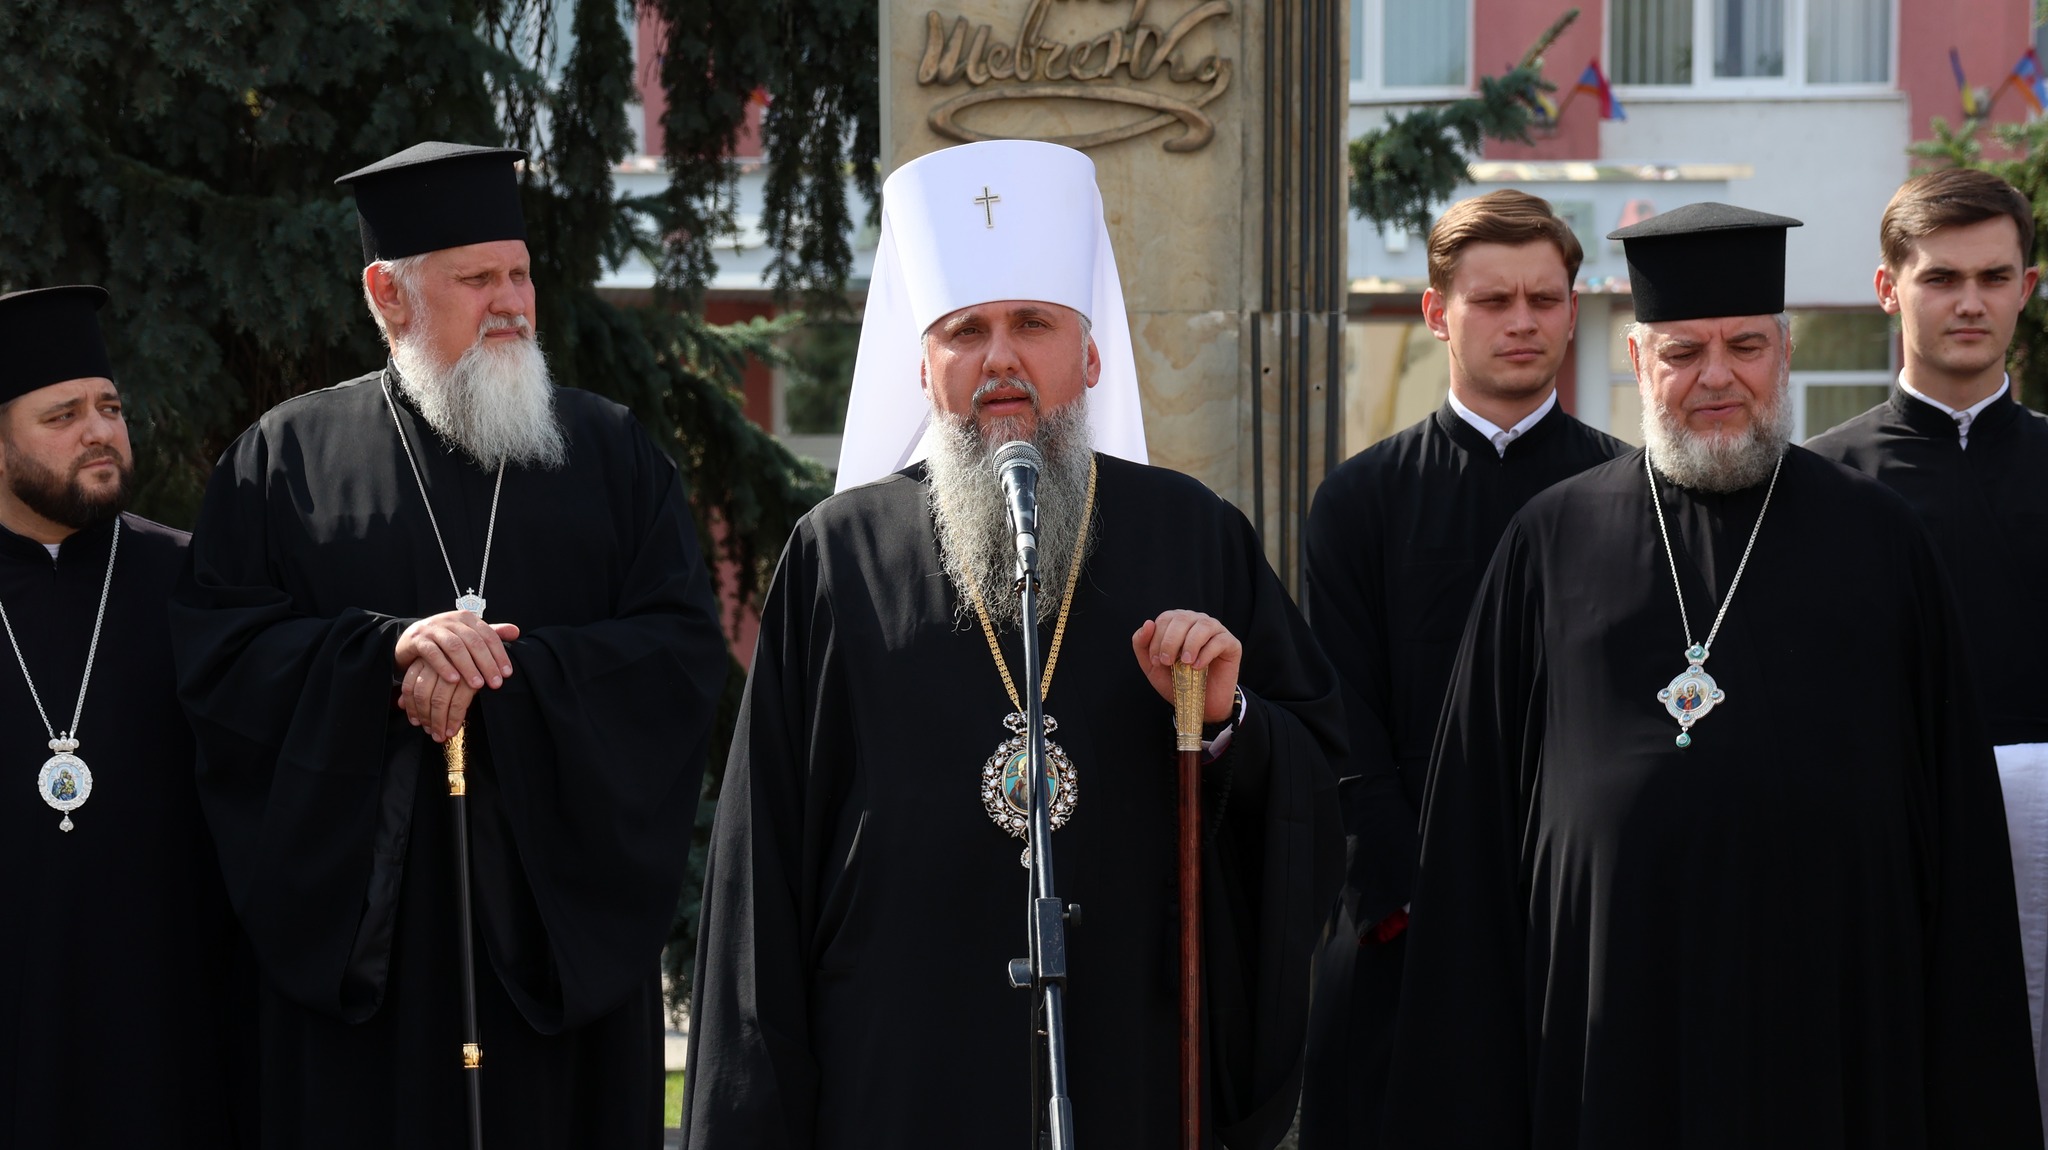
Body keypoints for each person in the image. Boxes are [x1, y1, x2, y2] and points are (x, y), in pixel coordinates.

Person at [681, 139, 1343, 1149]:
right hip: (897, 1071)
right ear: (923, 366)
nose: (999, 358)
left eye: (1032, 323)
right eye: (966, 331)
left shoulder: (1192, 535)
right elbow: (763, 868)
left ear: (1090, 355)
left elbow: (1319, 785)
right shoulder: (837, 555)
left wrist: (1228, 724)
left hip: (1125, 1057)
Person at [1383, 202, 2043, 1146]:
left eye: (1745, 346)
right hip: (1608, 1032)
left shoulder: (1881, 540)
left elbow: (1960, 838)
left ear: (1785, 352)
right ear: (1638, 359)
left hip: (1830, 1024)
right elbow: (1472, 841)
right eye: (1683, 352)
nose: (1718, 376)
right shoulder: (1549, 543)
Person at [169, 142, 728, 1148]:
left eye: (519, 274)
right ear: (388, 295)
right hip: (369, 957)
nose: (511, 302)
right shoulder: (281, 463)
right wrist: (383, 657)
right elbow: (223, 665)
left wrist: (496, 673)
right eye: (477, 280)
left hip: (555, 942)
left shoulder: (610, 453)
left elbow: (680, 653)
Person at [1298, 190, 1624, 1150]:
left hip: (1581, 929)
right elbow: (1340, 714)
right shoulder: (1358, 501)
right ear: (1438, 312)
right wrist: (1405, 899)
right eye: (1493, 300)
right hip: (1402, 929)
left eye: (1544, 299)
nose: (1523, 321)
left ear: (1574, 310)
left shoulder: (1632, 496)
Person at [1807, 167, 2048, 1133]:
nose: (1970, 302)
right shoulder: (1817, 485)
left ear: (2028, 288)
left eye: (1994, 278)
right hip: (1881, 834)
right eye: (1942, 278)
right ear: (1888, 288)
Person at [0, 285, 245, 1146]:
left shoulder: (192, 580)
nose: (99, 431)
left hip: (166, 1024)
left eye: (109, 408)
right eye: (62, 415)